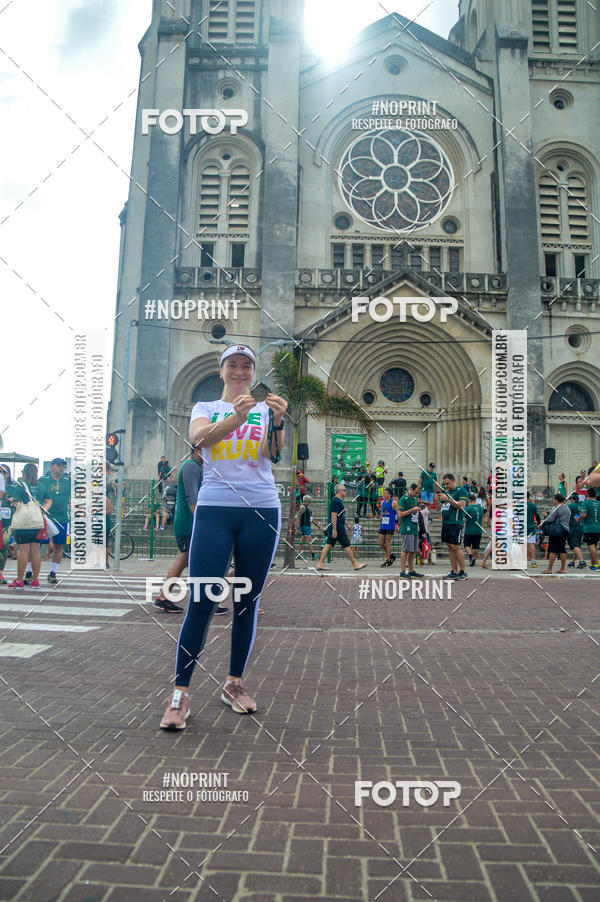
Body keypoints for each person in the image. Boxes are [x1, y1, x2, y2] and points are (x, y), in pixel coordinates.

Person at [160, 344, 287, 729]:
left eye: (246, 365)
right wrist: (236, 417)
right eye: (232, 364)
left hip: (262, 508)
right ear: (222, 371)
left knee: (247, 601)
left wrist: (278, 423)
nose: (239, 371)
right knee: (202, 599)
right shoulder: (205, 407)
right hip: (215, 509)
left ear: (253, 371)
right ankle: (180, 695)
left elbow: (272, 455)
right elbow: (202, 441)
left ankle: (234, 684)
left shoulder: (266, 410)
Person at [154, 445, 229, 615]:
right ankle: (207, 602)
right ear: (197, 450)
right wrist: (204, 523)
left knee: (185, 560)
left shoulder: (195, 467)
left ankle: (163, 598)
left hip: (189, 523)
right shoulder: (191, 467)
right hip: (190, 523)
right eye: (206, 450)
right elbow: (192, 498)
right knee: (198, 561)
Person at [5, 464, 50, 589]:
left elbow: (16, 502)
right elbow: (48, 500)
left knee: (23, 551)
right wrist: (43, 511)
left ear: (24, 473)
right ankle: (35, 580)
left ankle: (19, 580)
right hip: (37, 522)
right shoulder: (41, 486)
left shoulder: (20, 487)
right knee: (35, 551)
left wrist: (10, 500)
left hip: (24, 523)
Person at [316, 483, 367, 572]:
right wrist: (335, 529)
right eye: (344, 490)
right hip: (338, 527)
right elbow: (333, 515)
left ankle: (320, 563)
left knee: (328, 544)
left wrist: (347, 525)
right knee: (346, 545)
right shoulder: (336, 501)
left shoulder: (339, 501)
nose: (345, 491)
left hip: (338, 526)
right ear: (339, 491)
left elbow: (340, 516)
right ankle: (355, 564)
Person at [37, 458, 71, 584]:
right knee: (37, 544)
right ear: (51, 467)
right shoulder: (43, 480)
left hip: (61, 517)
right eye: (58, 465)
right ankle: (30, 571)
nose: (61, 468)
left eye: (63, 465)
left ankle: (53, 573)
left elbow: (81, 491)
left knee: (59, 545)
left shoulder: (69, 480)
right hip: (45, 517)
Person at [436, 473, 469, 580]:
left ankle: (463, 571)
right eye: (444, 484)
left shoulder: (461, 490)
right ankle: (454, 571)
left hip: (455, 523)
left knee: (455, 546)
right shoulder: (446, 492)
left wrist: (448, 499)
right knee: (450, 547)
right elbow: (437, 508)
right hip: (445, 523)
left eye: (448, 483)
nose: (446, 486)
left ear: (453, 481)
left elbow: (462, 505)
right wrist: (437, 497)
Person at [541, 493, 571, 574]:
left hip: (557, 530)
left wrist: (545, 516)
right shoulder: (567, 508)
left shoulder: (556, 508)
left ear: (556, 500)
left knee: (553, 549)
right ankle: (563, 568)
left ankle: (549, 569)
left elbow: (550, 519)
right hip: (565, 530)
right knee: (562, 549)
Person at [397, 483, 423, 578]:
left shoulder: (415, 499)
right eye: (416, 492)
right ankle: (403, 571)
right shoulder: (404, 499)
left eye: (418, 493)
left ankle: (411, 570)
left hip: (414, 527)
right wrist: (412, 510)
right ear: (411, 489)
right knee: (406, 549)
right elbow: (400, 514)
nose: (417, 494)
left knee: (412, 550)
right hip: (407, 527)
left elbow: (414, 513)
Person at [578, 486, 600, 571]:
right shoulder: (599, 503)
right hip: (598, 527)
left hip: (589, 528)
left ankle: (597, 565)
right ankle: (592, 564)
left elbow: (583, 515)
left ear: (588, 495)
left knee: (591, 546)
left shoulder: (586, 503)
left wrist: (578, 518)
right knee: (594, 546)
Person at [378, 486, 399, 567]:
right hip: (383, 525)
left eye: (385, 493)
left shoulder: (394, 502)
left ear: (390, 495)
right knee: (380, 543)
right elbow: (382, 513)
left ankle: (387, 560)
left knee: (388, 543)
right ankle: (391, 555)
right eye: (384, 493)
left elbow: (398, 514)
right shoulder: (382, 502)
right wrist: (380, 522)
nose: (384, 494)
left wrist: (397, 525)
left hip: (390, 525)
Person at [565, 492, 586, 570]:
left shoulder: (570, 506)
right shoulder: (582, 505)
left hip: (572, 528)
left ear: (572, 499)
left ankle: (582, 561)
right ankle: (573, 561)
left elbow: (565, 515)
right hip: (580, 528)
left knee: (574, 546)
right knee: (577, 546)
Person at [296, 493, 319, 560]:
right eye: (309, 501)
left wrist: (316, 524)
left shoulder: (307, 507)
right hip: (304, 526)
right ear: (306, 500)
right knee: (308, 540)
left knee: (303, 540)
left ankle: (298, 554)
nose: (310, 502)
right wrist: (297, 528)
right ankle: (313, 555)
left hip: (307, 525)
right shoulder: (302, 507)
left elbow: (310, 518)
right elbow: (298, 517)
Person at [464, 493, 484, 566]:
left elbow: (463, 517)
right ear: (475, 500)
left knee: (467, 545)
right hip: (478, 530)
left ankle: (471, 556)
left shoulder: (468, 508)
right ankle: (473, 560)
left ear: (469, 500)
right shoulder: (480, 508)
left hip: (469, 530)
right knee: (475, 546)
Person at [526, 491, 540, 567]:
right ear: (529, 496)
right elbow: (537, 516)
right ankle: (533, 562)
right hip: (531, 527)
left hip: (521, 528)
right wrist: (538, 524)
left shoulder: (519, 505)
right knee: (531, 544)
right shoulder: (533, 505)